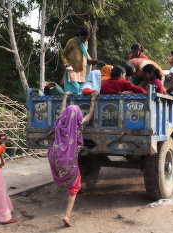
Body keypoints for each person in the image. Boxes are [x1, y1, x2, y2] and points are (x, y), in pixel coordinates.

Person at [48, 91, 99, 227]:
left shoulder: (59, 122)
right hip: (68, 159)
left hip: (54, 155)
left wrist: (65, 97)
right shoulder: (78, 125)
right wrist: (93, 100)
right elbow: (90, 114)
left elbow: (63, 111)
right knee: (74, 186)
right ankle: (66, 216)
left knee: (62, 173)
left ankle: (61, 182)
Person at [61, 27, 98, 95]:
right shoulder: (72, 42)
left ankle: (78, 104)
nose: (85, 40)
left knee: (81, 89)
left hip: (82, 70)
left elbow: (85, 54)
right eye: (84, 38)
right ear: (80, 35)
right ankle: (70, 102)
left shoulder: (85, 43)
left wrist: (90, 61)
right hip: (71, 68)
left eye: (87, 39)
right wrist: (65, 62)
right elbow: (63, 54)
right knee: (76, 87)